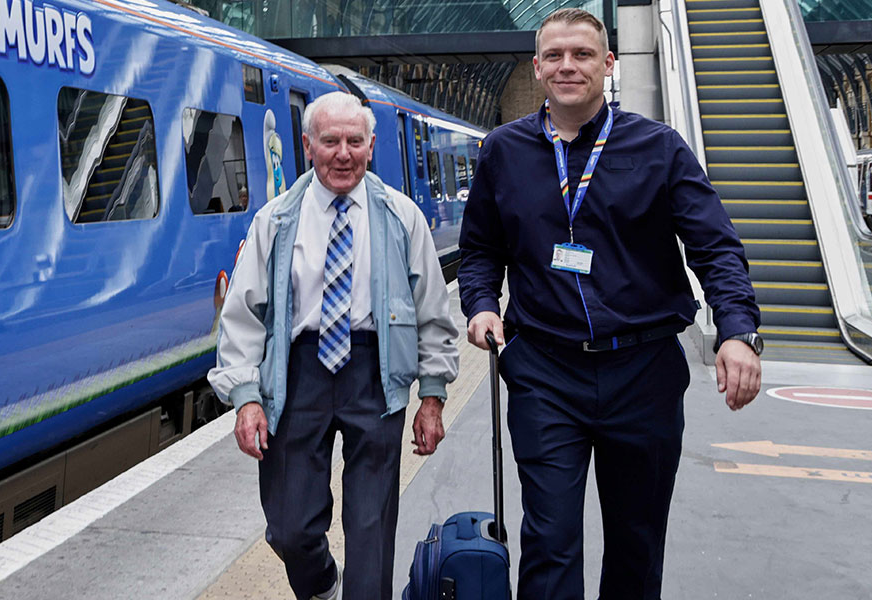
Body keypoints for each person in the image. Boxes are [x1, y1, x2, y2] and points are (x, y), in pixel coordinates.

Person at [456, 8, 763, 599]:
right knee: (548, 538)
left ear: (608, 63)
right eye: (554, 56)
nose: (567, 66)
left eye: (582, 54)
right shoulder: (503, 151)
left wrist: (736, 330)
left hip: (643, 371)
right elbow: (480, 250)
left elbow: (716, 246)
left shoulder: (659, 148)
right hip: (545, 371)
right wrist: (481, 304)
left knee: (636, 541)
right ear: (537, 68)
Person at [211, 91, 460, 600]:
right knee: (290, 528)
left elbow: (433, 310)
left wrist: (432, 394)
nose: (343, 153)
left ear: (371, 145)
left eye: (354, 141)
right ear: (307, 146)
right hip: (297, 373)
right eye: (330, 142)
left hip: (376, 371)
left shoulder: (402, 216)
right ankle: (324, 583)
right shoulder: (276, 220)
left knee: (371, 529)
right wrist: (246, 397)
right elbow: (242, 315)